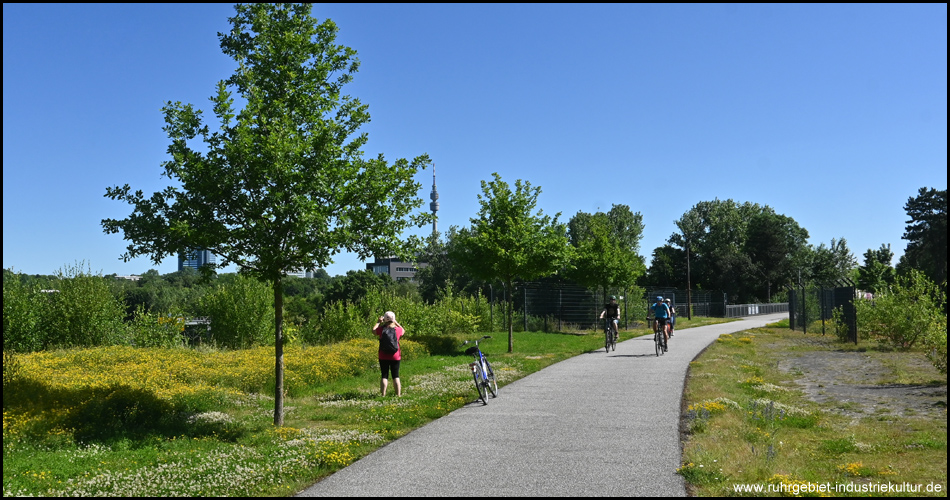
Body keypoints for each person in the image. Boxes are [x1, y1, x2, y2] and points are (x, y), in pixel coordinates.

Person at [372, 311, 405, 397]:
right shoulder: (398, 330)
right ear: (393, 319)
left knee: (384, 375)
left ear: (384, 319)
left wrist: (378, 322)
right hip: (395, 356)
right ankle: (398, 395)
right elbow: (403, 331)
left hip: (383, 355)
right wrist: (396, 322)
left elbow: (373, 331)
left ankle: (383, 395)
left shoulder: (381, 329)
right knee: (396, 376)